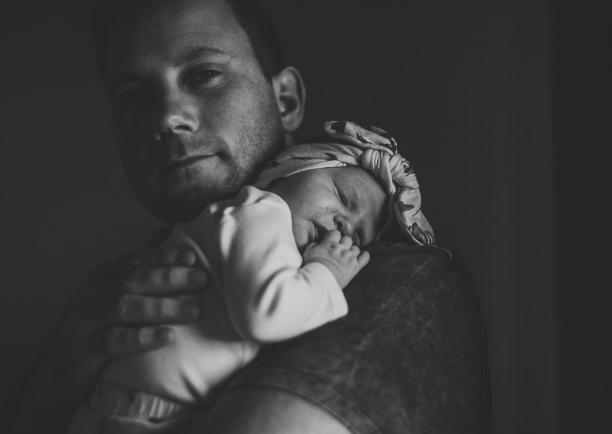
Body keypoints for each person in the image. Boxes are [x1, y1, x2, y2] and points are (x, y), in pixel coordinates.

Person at [5, 0, 490, 433]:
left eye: (203, 75)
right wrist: (57, 374)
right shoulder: (107, 305)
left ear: (286, 100)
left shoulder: (389, 278)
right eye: (134, 96)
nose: (167, 116)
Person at [68, 121, 436, 433]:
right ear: (292, 169)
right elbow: (267, 314)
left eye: (360, 233)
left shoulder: (275, 243)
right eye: (342, 196)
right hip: (130, 415)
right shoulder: (260, 212)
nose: (346, 225)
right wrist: (327, 272)